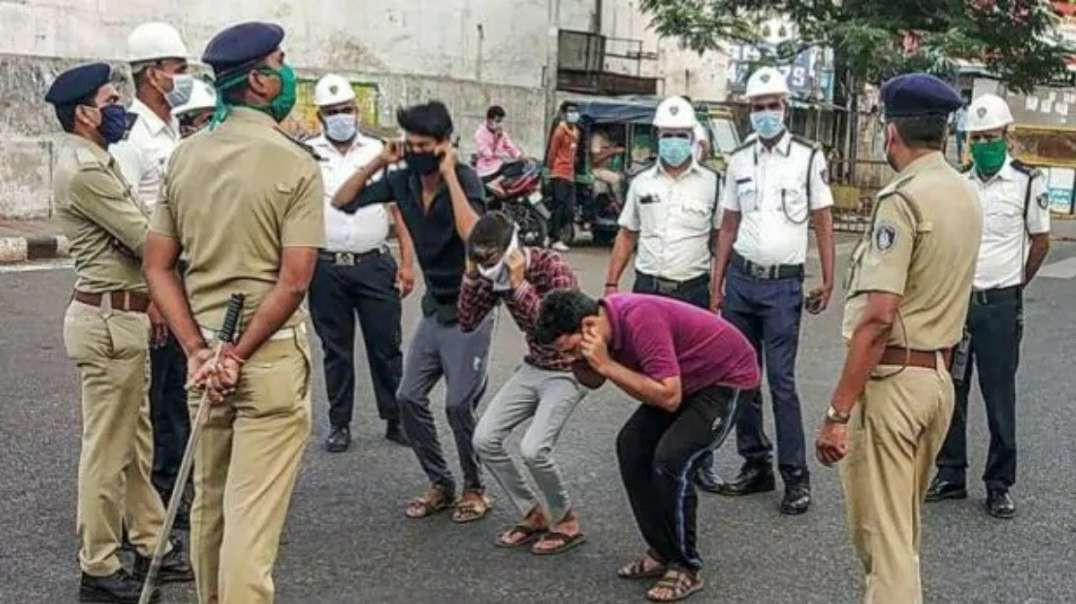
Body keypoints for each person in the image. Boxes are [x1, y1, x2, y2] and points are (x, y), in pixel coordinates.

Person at [143, 22, 324, 603]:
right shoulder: (294, 162)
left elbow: (158, 267)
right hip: (264, 359)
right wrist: (237, 354)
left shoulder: (185, 157)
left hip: (204, 362)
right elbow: (295, 281)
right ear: (262, 81)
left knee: (211, 509)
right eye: (281, 62)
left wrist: (198, 350)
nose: (288, 71)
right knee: (251, 521)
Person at [815, 73, 980, 604]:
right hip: (937, 382)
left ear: (891, 132)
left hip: (894, 384)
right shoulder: (964, 194)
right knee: (901, 535)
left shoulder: (902, 200)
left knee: (884, 546)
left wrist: (838, 412)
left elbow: (878, 316)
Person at [47, 62, 192, 604]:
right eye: (110, 100)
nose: (120, 109)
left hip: (121, 318)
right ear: (85, 113)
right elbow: (145, 237)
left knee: (135, 443)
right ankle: (100, 566)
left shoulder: (99, 160)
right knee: (107, 453)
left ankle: (153, 545)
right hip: (107, 322)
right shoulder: (85, 171)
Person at [536, 291, 759, 603]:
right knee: (631, 447)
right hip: (681, 380)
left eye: (574, 349)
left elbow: (668, 397)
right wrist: (585, 361)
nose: (574, 357)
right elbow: (594, 381)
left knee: (673, 458)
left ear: (588, 324)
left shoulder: (641, 319)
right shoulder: (600, 329)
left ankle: (685, 565)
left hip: (725, 378)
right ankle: (662, 551)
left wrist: (606, 364)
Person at [332, 101, 495, 524]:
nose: (415, 151)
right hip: (434, 307)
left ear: (445, 145)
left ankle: (476, 486)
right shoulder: (402, 180)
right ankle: (441, 482)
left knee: (459, 406)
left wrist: (449, 176)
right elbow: (342, 200)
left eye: (426, 145)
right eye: (410, 144)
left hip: (470, 308)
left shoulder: (463, 179)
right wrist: (377, 162)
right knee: (407, 397)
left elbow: (474, 236)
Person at [711, 66, 836, 515]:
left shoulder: (806, 156)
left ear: (786, 108)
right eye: (758, 107)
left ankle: (796, 475)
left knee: (782, 381)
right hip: (742, 282)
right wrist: (717, 284)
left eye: (772, 106)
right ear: (749, 111)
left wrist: (827, 276)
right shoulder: (739, 159)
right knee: (743, 377)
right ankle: (755, 462)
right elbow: (729, 224)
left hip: (784, 284)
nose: (765, 114)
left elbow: (823, 219)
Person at [926, 93, 1051, 519]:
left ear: (1007, 136)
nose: (983, 145)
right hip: (958, 304)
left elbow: (1040, 243)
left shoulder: (1027, 182)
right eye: (975, 138)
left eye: (990, 137)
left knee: (999, 396)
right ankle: (950, 473)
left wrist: (1015, 284)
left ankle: (999, 484)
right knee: (951, 390)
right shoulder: (959, 184)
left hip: (999, 304)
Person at [604, 95, 724, 493]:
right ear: (658, 137)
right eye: (667, 135)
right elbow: (627, 234)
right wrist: (610, 284)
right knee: (653, 374)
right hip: (648, 291)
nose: (673, 141)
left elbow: (719, 239)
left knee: (695, 376)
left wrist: (717, 292)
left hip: (690, 292)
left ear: (693, 137)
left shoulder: (712, 184)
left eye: (680, 135)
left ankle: (697, 456)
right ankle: (656, 446)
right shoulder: (641, 183)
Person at [110, 21, 194, 529]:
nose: (182, 77)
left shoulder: (173, 128)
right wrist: (155, 295)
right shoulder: (134, 136)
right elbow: (129, 223)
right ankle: (154, 504)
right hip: (154, 283)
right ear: (153, 73)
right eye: (177, 68)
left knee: (177, 393)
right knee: (158, 400)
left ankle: (174, 493)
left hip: (180, 276)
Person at [462, 211, 587, 555]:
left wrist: (519, 285)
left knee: (534, 449)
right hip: (534, 367)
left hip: (567, 369)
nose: (491, 268)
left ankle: (566, 521)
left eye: (493, 259)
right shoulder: (492, 275)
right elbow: (467, 320)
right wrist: (472, 279)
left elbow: (558, 331)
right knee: (484, 439)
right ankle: (531, 514)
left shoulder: (551, 266)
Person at [306, 73, 414, 452]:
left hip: (374, 264)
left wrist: (406, 264)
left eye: (347, 110)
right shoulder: (307, 153)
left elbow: (400, 211)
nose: (341, 117)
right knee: (336, 350)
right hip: (325, 266)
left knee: (386, 347)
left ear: (357, 110)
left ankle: (396, 419)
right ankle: (340, 424)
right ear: (320, 115)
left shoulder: (378, 151)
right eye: (332, 111)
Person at [546, 101, 581, 252]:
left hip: (570, 174)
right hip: (559, 173)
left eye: (575, 111)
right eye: (570, 111)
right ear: (565, 114)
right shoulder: (560, 131)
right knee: (559, 206)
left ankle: (554, 234)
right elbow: (552, 152)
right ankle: (554, 238)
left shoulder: (576, 132)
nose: (573, 114)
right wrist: (549, 170)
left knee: (569, 209)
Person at [474, 105, 523, 197]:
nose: (499, 124)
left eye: (500, 121)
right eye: (497, 121)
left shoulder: (501, 133)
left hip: (498, 167)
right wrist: (496, 139)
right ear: (489, 120)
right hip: (486, 170)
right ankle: (495, 183)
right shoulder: (480, 134)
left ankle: (497, 183)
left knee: (520, 165)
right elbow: (488, 155)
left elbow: (510, 146)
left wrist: (520, 156)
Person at [589, 127, 625, 204]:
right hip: (597, 169)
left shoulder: (608, 137)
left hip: (609, 169)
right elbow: (595, 159)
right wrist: (613, 151)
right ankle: (620, 203)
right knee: (616, 178)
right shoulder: (597, 137)